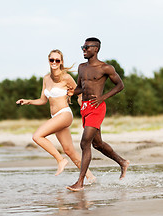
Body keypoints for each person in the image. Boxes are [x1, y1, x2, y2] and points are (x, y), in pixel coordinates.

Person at [16, 49, 95, 182]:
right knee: (70, 151)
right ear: (49, 61)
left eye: (57, 60)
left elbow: (79, 91)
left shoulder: (66, 77)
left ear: (61, 62)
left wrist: (81, 103)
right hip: (55, 117)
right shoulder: (46, 78)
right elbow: (43, 100)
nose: (54, 62)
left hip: (64, 114)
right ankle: (91, 178)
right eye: (51, 60)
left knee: (37, 136)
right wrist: (28, 101)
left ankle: (60, 160)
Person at [66, 37, 129, 192]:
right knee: (97, 144)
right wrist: (71, 92)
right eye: (83, 47)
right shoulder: (81, 67)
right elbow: (81, 87)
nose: (83, 50)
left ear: (96, 48)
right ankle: (122, 162)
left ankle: (80, 182)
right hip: (85, 108)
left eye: (86, 47)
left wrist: (102, 97)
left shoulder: (105, 68)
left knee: (84, 142)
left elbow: (120, 85)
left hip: (97, 107)